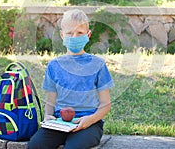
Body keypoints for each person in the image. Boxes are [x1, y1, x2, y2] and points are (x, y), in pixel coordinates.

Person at [27, 9, 114, 149]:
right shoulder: (54, 66)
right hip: (59, 123)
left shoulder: (98, 65)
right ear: (62, 35)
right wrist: (48, 116)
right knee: (35, 145)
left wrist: (90, 120)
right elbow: (50, 101)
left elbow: (106, 104)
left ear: (88, 35)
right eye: (69, 33)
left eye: (79, 33)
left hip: (89, 124)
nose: (74, 37)